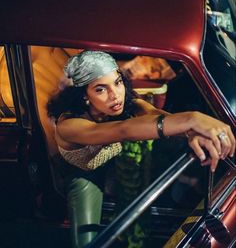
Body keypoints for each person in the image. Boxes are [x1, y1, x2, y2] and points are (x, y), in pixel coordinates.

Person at [47, 50, 235, 248]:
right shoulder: (68, 125)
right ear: (84, 95)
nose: (115, 95)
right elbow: (123, 130)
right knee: (88, 242)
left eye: (118, 82)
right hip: (83, 175)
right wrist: (192, 118)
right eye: (101, 89)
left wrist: (190, 131)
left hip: (114, 164)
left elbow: (154, 114)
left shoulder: (123, 104)